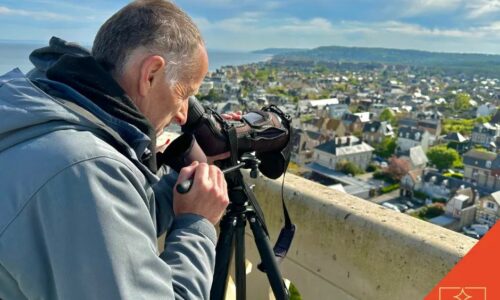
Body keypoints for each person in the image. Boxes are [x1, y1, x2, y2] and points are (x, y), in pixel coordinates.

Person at [0, 0, 230, 299]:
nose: (184, 115)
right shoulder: (88, 168)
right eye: (184, 93)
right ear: (150, 73)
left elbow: (106, 229)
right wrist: (196, 224)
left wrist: (183, 183)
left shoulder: (33, 114)